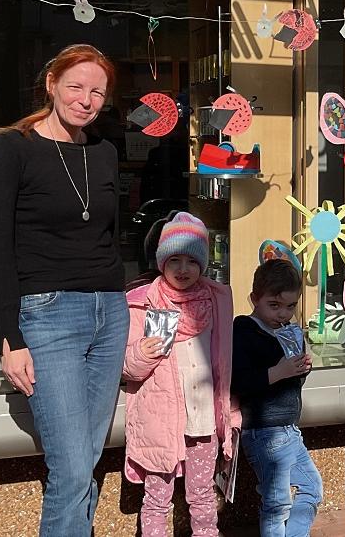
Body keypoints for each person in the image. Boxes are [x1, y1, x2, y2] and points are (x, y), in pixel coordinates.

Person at [0, 44, 127, 536]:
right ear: (51, 84)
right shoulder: (13, 148)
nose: (86, 100)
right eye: (76, 87)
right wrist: (10, 335)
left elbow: (110, 236)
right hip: (46, 315)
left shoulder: (104, 153)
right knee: (69, 467)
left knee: (86, 458)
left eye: (97, 92)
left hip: (108, 311)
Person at [122, 212, 239, 537]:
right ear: (161, 261)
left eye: (191, 260)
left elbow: (223, 365)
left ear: (203, 263)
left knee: (202, 497)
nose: (183, 269)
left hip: (203, 422)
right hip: (161, 423)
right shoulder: (143, 304)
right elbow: (126, 367)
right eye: (175, 259)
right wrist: (139, 355)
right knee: (157, 500)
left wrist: (230, 412)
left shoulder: (216, 301)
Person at [232, 258, 323, 537]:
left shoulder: (288, 331)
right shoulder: (244, 330)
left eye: (291, 306)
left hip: (288, 429)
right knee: (277, 504)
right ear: (254, 300)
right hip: (265, 431)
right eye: (274, 305)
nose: (283, 314)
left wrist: (300, 369)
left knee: (311, 488)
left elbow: (293, 380)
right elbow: (239, 382)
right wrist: (279, 371)